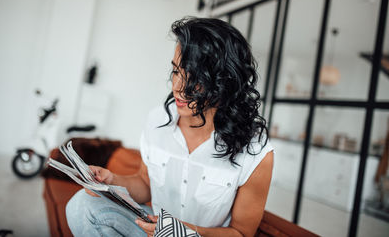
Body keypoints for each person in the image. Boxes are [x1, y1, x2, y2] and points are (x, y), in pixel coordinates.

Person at [66, 17, 274, 237]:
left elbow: (241, 233)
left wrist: (179, 232)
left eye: (193, 77)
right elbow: (145, 183)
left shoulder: (256, 152)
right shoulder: (157, 121)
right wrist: (111, 181)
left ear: (223, 81)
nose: (177, 87)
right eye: (176, 72)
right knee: (82, 206)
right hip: (151, 231)